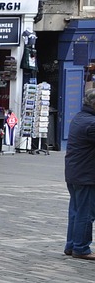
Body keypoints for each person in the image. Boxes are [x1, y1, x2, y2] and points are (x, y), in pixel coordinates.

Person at [63, 88, 95, 260]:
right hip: (86, 175)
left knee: (76, 211)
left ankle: (71, 245)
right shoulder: (91, 123)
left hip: (75, 173)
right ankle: (81, 248)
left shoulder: (79, 118)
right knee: (86, 213)